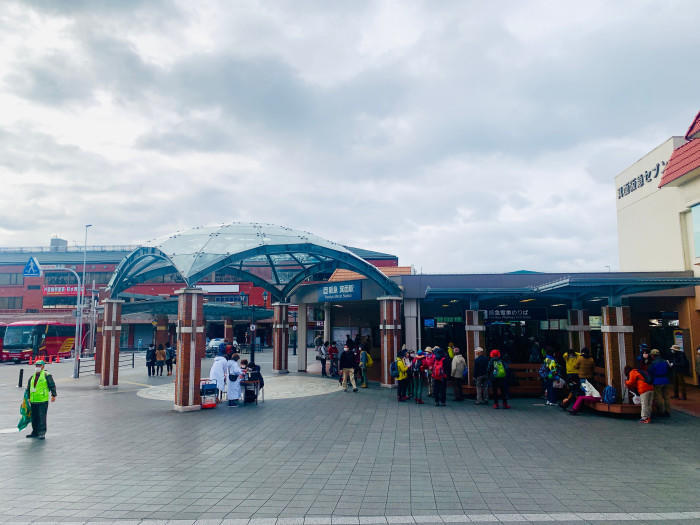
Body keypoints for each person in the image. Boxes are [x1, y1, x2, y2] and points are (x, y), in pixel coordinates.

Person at [25, 360, 57, 440]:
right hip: (33, 400)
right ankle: (35, 432)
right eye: (36, 365)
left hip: (42, 400)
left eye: (39, 365)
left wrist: (53, 395)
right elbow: (29, 388)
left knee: (41, 417)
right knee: (34, 417)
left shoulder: (47, 375)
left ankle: (42, 432)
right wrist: (28, 397)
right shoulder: (32, 376)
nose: (37, 367)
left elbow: (52, 385)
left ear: (43, 366)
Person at [648, 348, 671, 417]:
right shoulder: (665, 361)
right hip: (666, 380)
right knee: (666, 396)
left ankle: (661, 411)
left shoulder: (653, 363)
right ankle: (668, 411)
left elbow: (650, 372)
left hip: (657, 380)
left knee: (659, 397)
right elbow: (669, 370)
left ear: (653, 355)